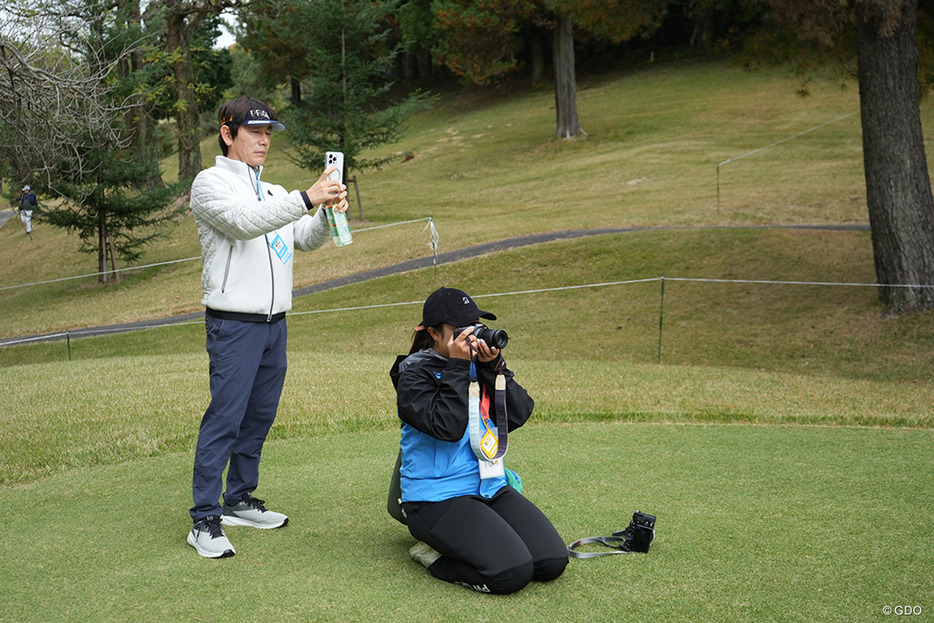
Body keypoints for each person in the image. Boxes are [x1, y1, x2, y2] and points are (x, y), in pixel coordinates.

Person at [186, 96, 349, 559]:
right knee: (226, 417)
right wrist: (305, 199)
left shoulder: (275, 191)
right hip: (233, 324)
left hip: (275, 322)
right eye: (254, 131)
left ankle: (237, 499)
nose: (263, 140)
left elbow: (303, 239)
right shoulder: (209, 184)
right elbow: (242, 224)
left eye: (268, 132)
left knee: (258, 417)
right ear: (227, 132)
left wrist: (325, 212)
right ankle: (204, 518)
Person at [389, 287, 568, 594]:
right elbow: (447, 428)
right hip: (435, 498)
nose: (471, 336)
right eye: (460, 330)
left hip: (489, 485)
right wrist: (458, 367)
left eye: (474, 326)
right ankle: (433, 557)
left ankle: (476, 536)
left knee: (552, 561)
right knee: (511, 573)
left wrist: (494, 368)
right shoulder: (412, 374)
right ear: (433, 332)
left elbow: (519, 414)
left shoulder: (478, 366)